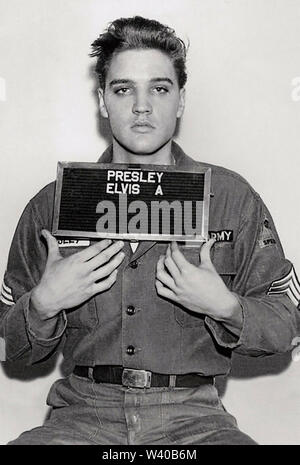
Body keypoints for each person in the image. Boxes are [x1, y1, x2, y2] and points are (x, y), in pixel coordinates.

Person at [1, 16, 300, 445]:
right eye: (123, 89)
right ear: (102, 100)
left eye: (159, 88)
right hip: (80, 419)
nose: (142, 106)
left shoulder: (231, 198)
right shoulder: (54, 203)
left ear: (180, 101)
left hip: (195, 422)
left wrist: (227, 307)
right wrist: (43, 305)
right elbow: (17, 350)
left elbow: (288, 322)